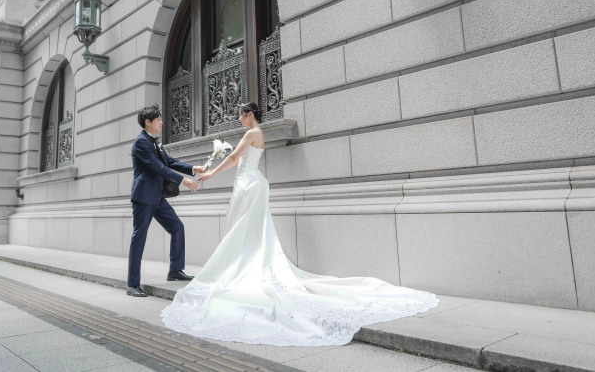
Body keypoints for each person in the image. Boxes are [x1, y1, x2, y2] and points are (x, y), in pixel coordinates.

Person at [160, 102, 438, 346]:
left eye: (240, 115)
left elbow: (234, 158)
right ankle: (238, 268)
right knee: (247, 231)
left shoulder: (252, 132)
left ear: (248, 114)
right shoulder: (258, 133)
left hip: (248, 184)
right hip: (251, 183)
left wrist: (210, 173)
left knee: (243, 231)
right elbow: (237, 158)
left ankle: (238, 272)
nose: (239, 119)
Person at [126, 104, 205, 298]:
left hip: (157, 197)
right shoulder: (141, 143)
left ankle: (175, 270)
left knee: (177, 227)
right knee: (139, 238)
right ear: (148, 122)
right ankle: (132, 284)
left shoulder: (155, 142)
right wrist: (183, 180)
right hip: (144, 197)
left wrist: (193, 169)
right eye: (159, 119)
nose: (162, 122)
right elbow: (157, 167)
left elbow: (169, 162)